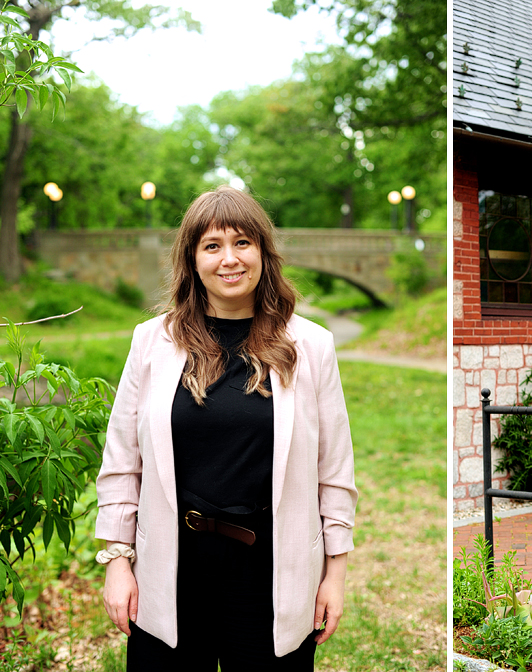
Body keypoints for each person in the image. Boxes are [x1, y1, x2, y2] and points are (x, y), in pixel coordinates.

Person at [94, 185, 358, 669]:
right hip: (170, 571)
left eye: (242, 242)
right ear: (192, 260)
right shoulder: (152, 342)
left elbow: (334, 471)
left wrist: (334, 574)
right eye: (212, 246)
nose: (229, 259)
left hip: (271, 573)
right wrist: (117, 562)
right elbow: (121, 463)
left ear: (263, 252)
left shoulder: (312, 345)